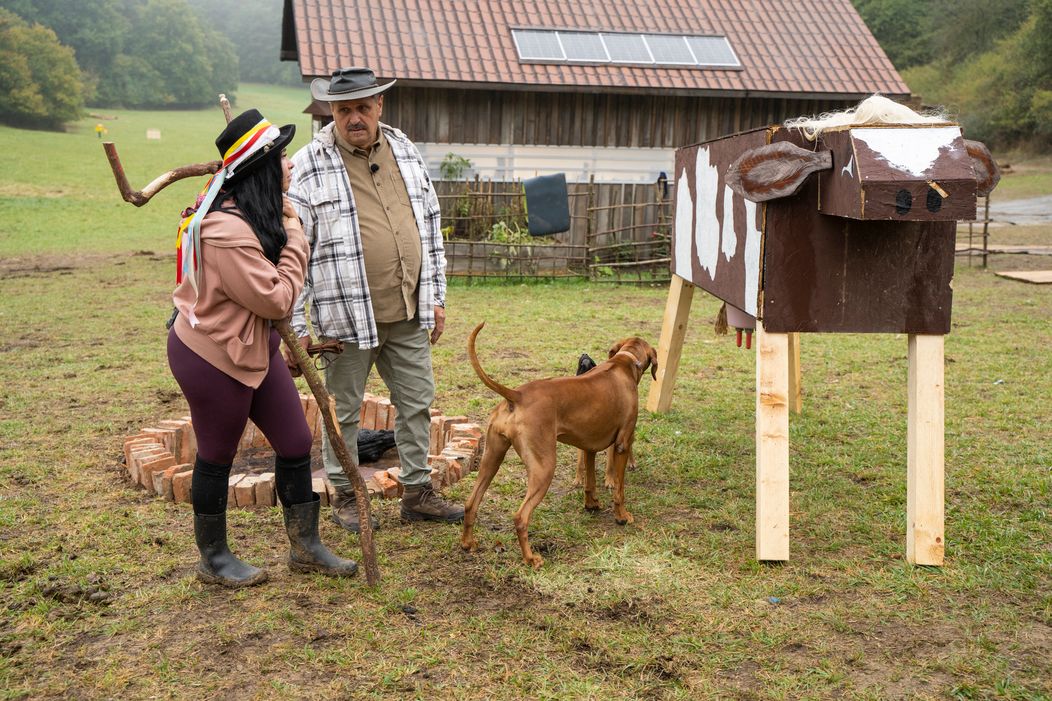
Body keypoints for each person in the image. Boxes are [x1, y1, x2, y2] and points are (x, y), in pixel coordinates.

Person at [168, 108, 358, 588]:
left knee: (295, 440)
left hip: (256, 346)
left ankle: (306, 546)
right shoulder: (226, 232)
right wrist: (296, 237)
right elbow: (275, 297)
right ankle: (213, 558)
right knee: (218, 452)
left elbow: (269, 304)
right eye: (282, 157)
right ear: (261, 170)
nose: (291, 163)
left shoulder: (256, 213)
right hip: (213, 356)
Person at [286, 67, 464, 532]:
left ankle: (417, 492)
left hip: (408, 309)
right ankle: (346, 496)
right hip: (344, 320)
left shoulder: (404, 149)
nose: (355, 118)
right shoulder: (309, 163)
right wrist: (299, 327)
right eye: (345, 110)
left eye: (364, 107)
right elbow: (294, 247)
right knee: (342, 411)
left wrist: (437, 298)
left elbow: (430, 223)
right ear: (332, 112)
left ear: (379, 106)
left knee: (417, 400)